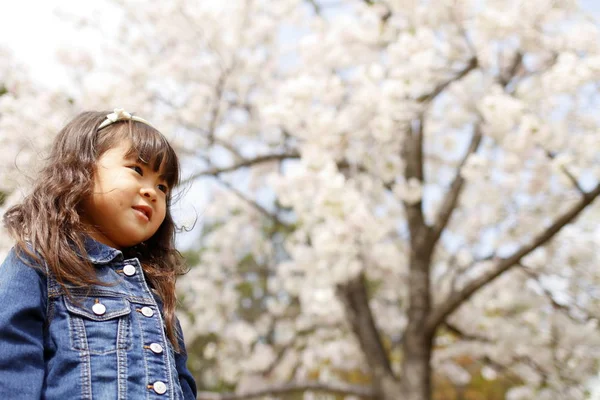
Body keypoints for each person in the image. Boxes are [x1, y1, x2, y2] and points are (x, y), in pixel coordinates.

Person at [0, 109, 198, 399]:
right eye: (138, 170)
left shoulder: (155, 295)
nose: (152, 192)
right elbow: (11, 361)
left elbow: (182, 384)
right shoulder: (38, 262)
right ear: (82, 169)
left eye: (162, 187)